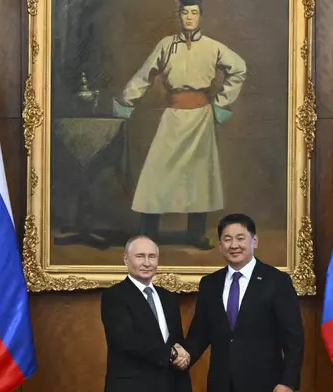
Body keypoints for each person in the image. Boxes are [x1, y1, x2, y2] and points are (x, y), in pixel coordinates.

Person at [114, 0, 247, 250]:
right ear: (179, 16)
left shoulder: (213, 47)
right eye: (184, 12)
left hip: (201, 118)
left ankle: (195, 234)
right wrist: (127, 100)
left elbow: (238, 69)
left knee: (198, 176)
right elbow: (146, 74)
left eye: (194, 12)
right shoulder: (166, 45)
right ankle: (148, 233)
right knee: (157, 172)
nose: (189, 17)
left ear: (200, 17)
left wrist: (221, 102)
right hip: (173, 116)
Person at [181, 213, 304, 392]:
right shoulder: (210, 283)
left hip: (265, 384)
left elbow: (293, 339)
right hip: (220, 384)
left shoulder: (277, 281)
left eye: (240, 238)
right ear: (221, 245)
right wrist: (181, 357)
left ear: (254, 241)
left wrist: (288, 382)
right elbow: (199, 334)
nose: (234, 245)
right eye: (227, 239)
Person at [100, 235, 192, 392]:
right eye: (140, 256)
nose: (147, 263)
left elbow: (176, 341)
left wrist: (183, 356)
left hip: (170, 384)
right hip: (132, 386)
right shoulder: (114, 296)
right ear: (126, 259)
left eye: (152, 256)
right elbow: (126, 341)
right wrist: (172, 353)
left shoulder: (168, 297)